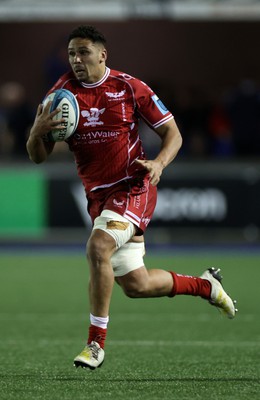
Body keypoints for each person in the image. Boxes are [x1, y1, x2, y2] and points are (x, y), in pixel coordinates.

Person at [26, 25, 237, 370]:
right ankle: (206, 286)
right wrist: (36, 133)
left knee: (98, 247)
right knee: (136, 284)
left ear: (102, 54)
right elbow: (38, 156)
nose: (77, 60)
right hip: (99, 198)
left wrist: (159, 162)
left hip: (133, 186)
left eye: (83, 52)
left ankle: (95, 346)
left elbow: (173, 132)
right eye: (71, 54)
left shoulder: (128, 87)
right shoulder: (60, 95)